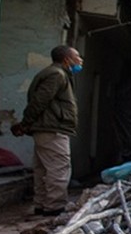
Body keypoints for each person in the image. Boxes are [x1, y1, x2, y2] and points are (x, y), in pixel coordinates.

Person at [12, 45, 82, 216]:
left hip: (46, 129)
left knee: (43, 169)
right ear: (67, 59)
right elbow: (39, 101)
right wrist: (25, 123)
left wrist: (27, 124)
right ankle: (54, 207)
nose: (80, 60)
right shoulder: (57, 75)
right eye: (77, 57)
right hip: (52, 129)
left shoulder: (55, 74)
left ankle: (42, 205)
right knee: (59, 168)